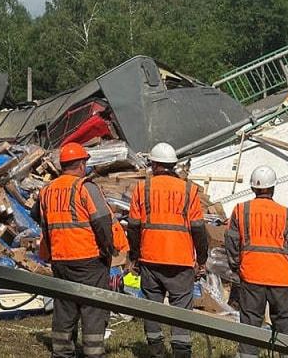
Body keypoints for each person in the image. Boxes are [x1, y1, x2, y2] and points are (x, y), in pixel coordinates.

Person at [32, 142, 116, 358]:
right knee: (93, 308)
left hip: (60, 258)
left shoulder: (47, 190)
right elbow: (102, 221)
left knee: (65, 306)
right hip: (88, 258)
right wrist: (107, 249)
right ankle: (93, 353)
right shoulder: (85, 187)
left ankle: (62, 352)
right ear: (80, 165)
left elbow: (38, 217)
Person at [127, 142, 208, 358]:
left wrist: (133, 256)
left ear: (154, 164)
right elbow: (199, 229)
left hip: (150, 258)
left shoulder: (142, 189)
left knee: (152, 307)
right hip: (180, 262)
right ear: (173, 165)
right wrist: (202, 259)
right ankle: (181, 352)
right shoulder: (189, 190)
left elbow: (133, 227)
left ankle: (156, 351)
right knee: (181, 309)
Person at [226, 166, 288, 358]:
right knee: (286, 329)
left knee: (250, 327)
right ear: (273, 188)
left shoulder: (240, 211)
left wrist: (237, 267)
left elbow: (231, 243)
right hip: (282, 280)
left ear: (253, 188)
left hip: (251, 277)